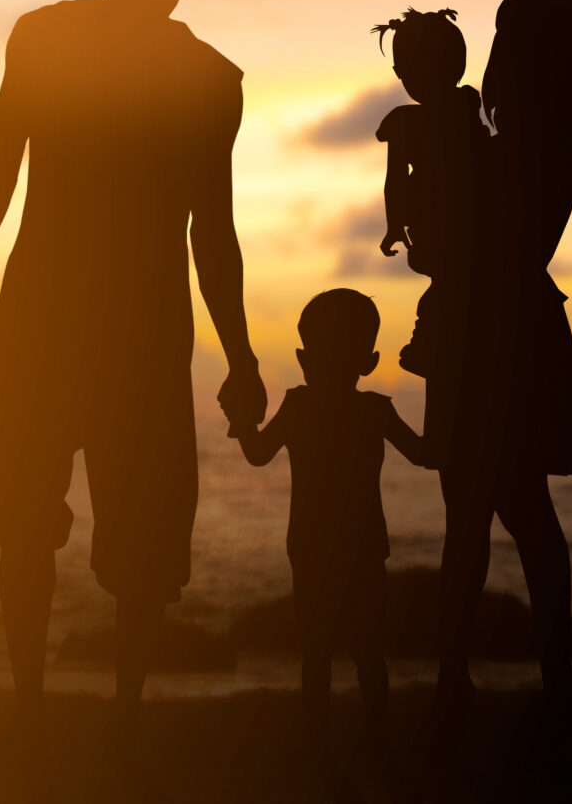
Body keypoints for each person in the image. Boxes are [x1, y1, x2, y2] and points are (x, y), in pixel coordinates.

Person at [0, 0, 266, 783]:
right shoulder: (207, 79)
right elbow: (213, 234)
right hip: (138, 335)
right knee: (132, 545)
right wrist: (239, 355)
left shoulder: (46, 40)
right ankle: (117, 717)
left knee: (33, 530)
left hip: (51, 319)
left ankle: (37, 709)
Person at [419, 0, 572, 780]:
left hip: (484, 329)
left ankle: (460, 676)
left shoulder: (518, 140)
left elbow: (445, 246)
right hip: (517, 325)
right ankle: (547, 676)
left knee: (480, 513)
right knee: (524, 512)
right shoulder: (560, 132)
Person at [230, 288, 428, 801]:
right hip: (359, 547)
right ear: (370, 361)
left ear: (303, 358)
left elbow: (255, 455)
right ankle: (373, 746)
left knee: (318, 651)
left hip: (316, 547)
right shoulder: (374, 412)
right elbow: (428, 455)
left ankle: (323, 746)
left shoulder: (301, 406)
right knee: (366, 653)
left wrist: (241, 418)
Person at [369, 7, 485, 380]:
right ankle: (433, 342)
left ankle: (432, 343)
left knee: (449, 283)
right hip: (441, 216)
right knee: (447, 281)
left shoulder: (455, 111)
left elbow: (395, 179)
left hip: (458, 215)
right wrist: (393, 224)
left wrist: (394, 223)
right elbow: (395, 179)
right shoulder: (452, 112)